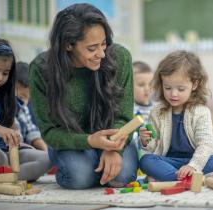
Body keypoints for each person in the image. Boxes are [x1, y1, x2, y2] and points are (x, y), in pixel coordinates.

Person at [29, 3, 138, 189]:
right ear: (68, 45)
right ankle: (83, 169)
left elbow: (123, 117)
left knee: (122, 177)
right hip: (71, 141)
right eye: (92, 48)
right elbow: (49, 132)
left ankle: (97, 166)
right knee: (81, 178)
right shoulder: (41, 69)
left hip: (113, 137)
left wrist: (114, 149)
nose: (102, 54)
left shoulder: (120, 57)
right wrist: (89, 141)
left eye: (104, 44)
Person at [139, 50, 213, 181]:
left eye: (180, 89)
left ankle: (172, 178)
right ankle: (192, 179)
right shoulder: (157, 111)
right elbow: (153, 147)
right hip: (169, 161)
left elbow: (205, 145)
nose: (173, 94)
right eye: (168, 88)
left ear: (195, 84)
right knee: (146, 160)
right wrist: (145, 141)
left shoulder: (201, 112)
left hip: (196, 161)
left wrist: (193, 166)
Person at [0, 38, 50, 182]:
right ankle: (6, 174)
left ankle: (6, 177)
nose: (0, 78)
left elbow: (12, 128)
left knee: (47, 158)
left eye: (5, 73)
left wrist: (16, 140)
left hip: (7, 153)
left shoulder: (6, 98)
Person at [15, 61, 47, 151]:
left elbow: (31, 132)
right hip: (7, 150)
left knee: (46, 158)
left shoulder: (23, 109)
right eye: (21, 97)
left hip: (23, 150)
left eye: (28, 98)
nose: (25, 102)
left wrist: (45, 150)